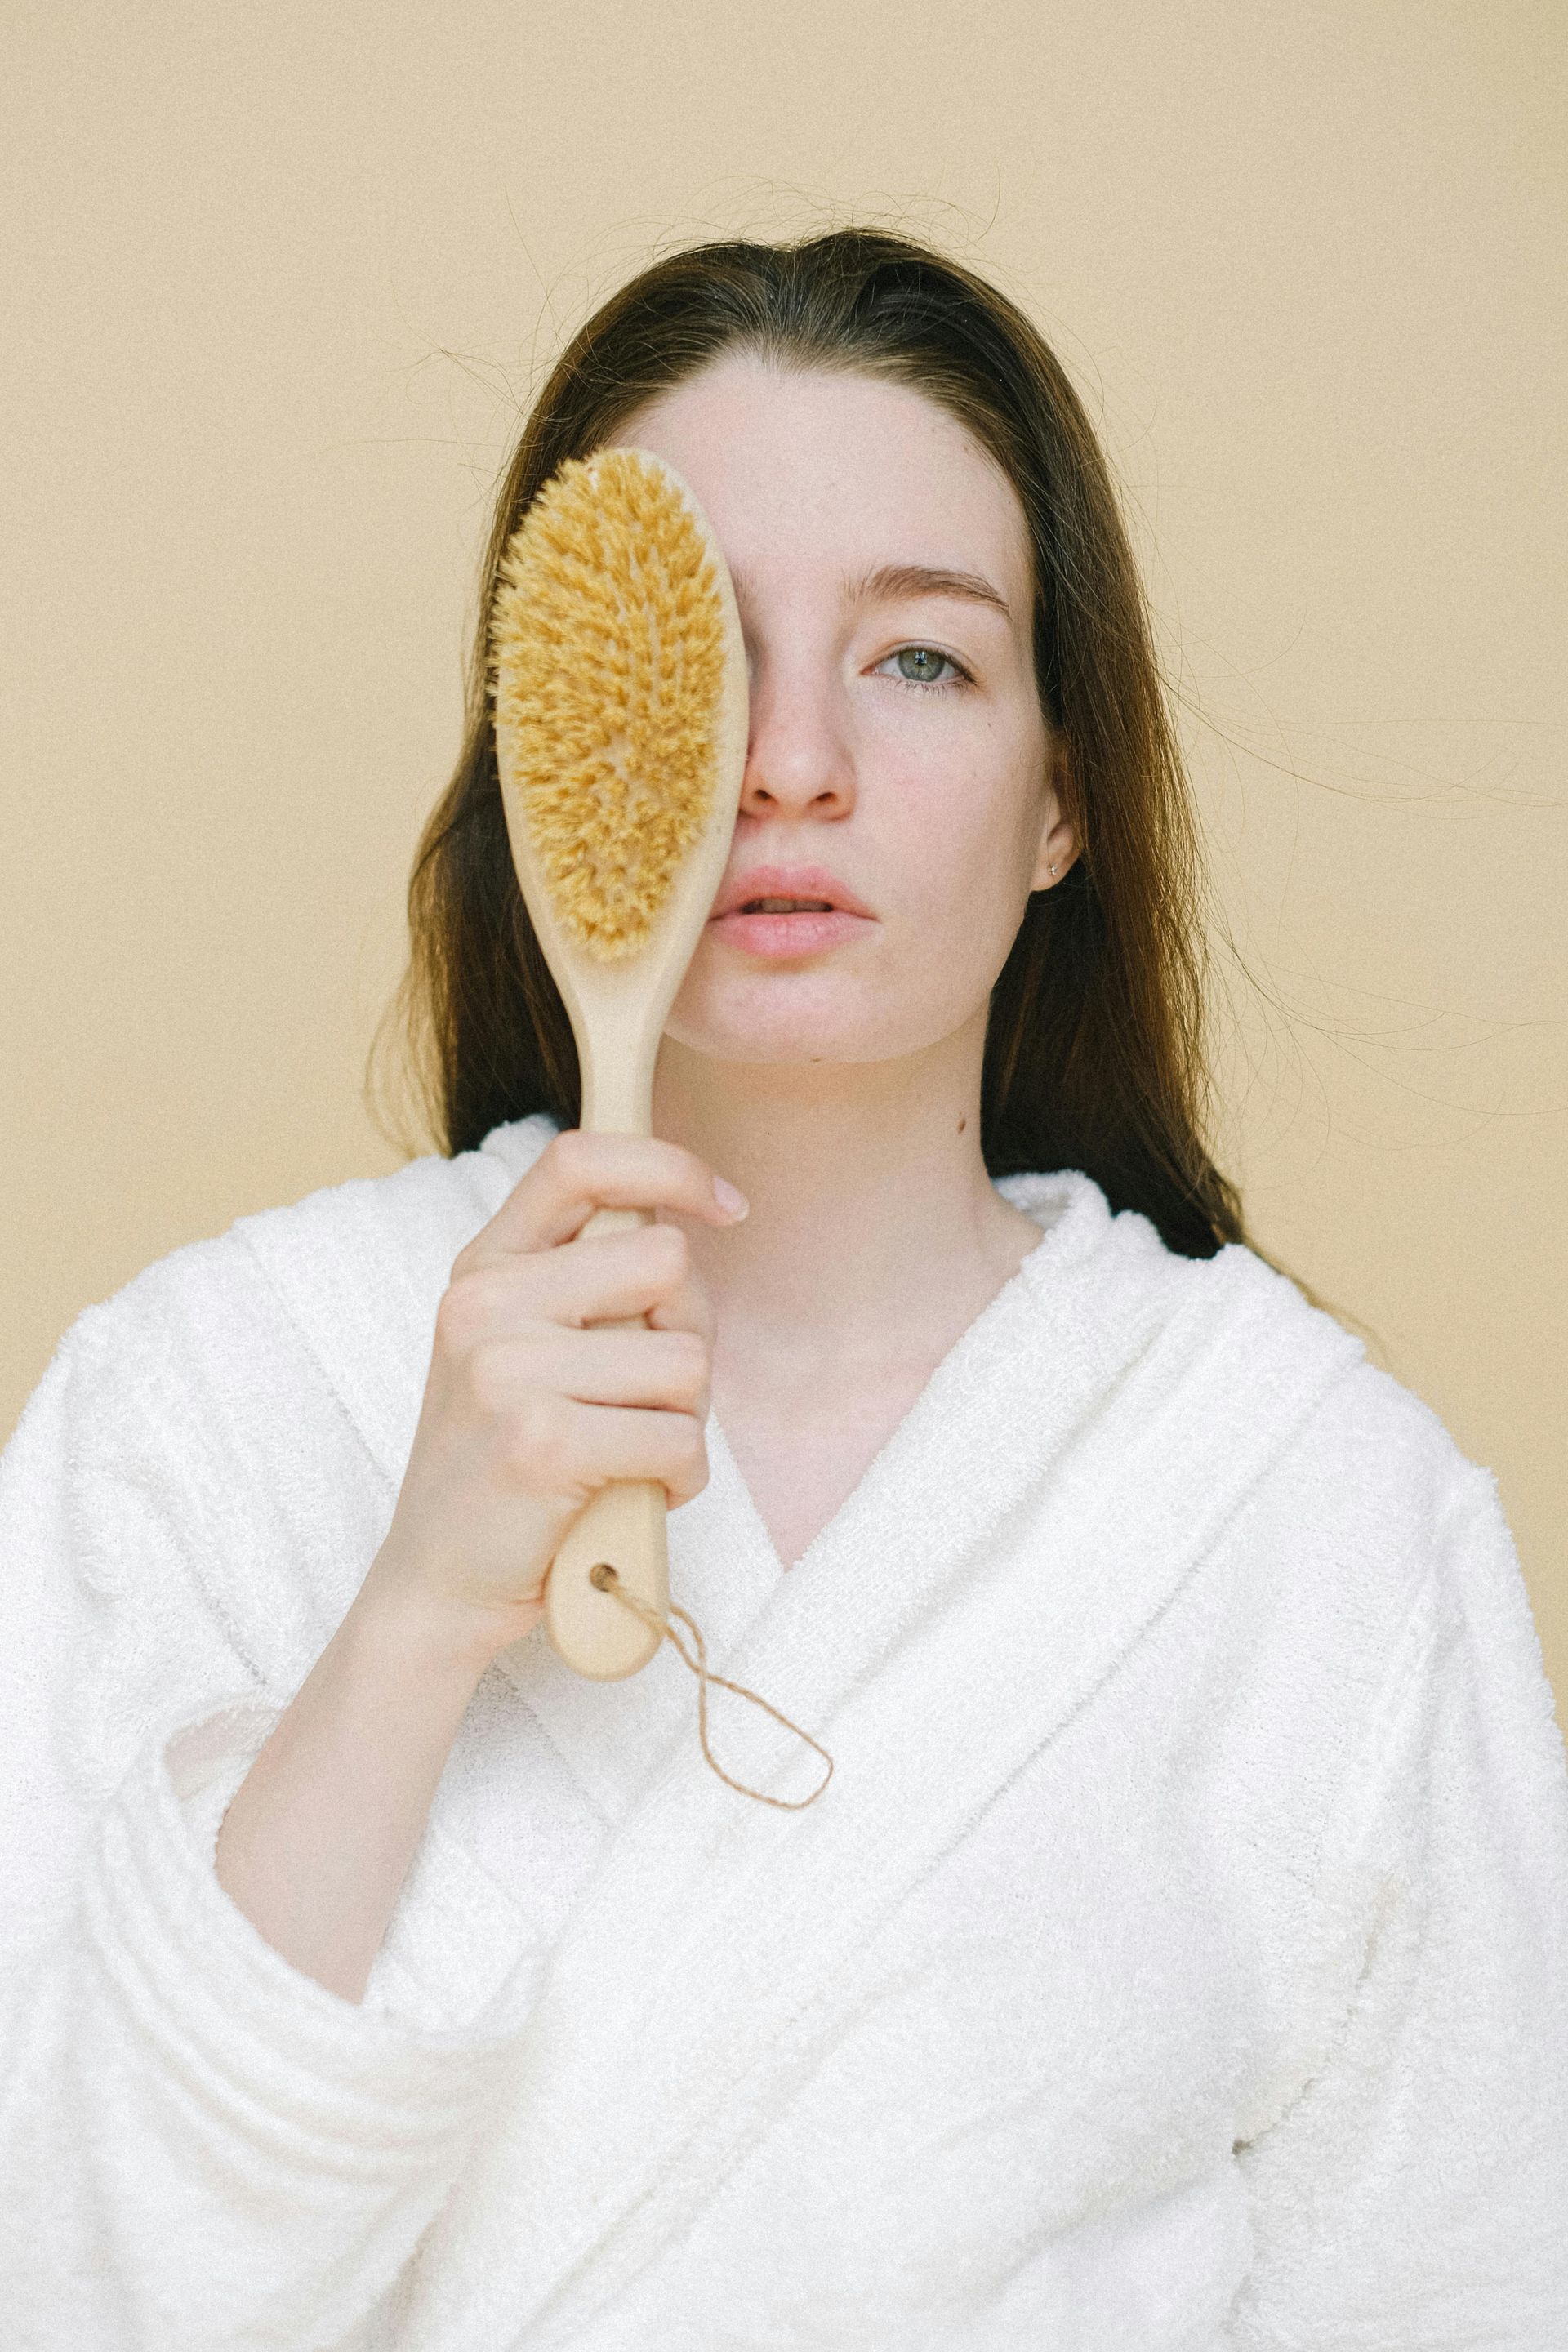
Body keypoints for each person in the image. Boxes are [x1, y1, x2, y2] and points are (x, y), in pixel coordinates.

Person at [2, 228, 1565, 2351]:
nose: (791, 762)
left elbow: (1468, 2284)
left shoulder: (1317, 1522)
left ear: (1063, 796)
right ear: (560, 751)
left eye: (920, 660)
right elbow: (70, 2274)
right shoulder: (202, 1400)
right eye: (702, 663)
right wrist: (413, 1622)